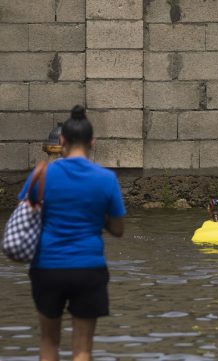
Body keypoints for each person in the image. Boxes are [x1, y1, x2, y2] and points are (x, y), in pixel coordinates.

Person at [19, 105, 126, 360]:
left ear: (62, 140)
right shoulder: (106, 179)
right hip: (89, 268)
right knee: (82, 350)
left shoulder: (43, 174)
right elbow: (118, 229)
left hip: (47, 267)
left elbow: (27, 212)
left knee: (48, 343)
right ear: (93, 142)